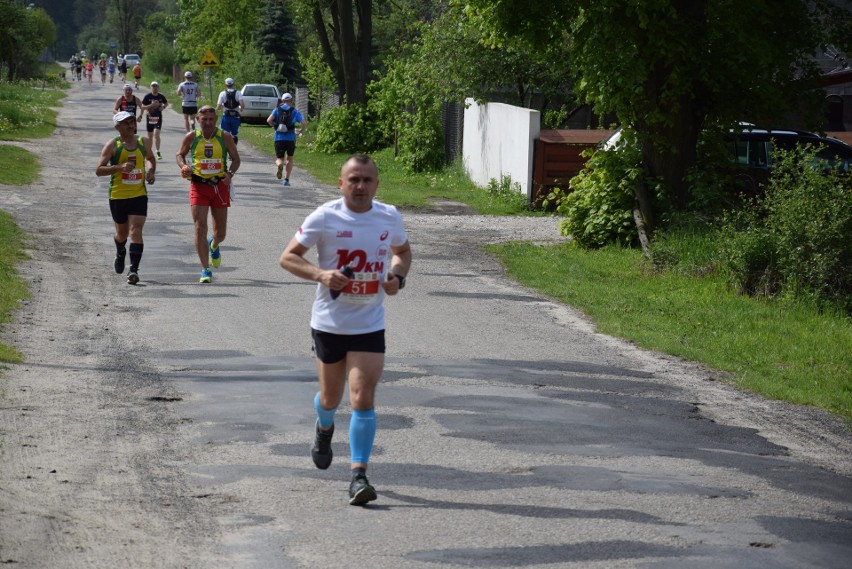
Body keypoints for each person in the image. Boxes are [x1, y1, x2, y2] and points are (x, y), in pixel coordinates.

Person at [278, 154, 412, 506]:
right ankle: (324, 428)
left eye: (367, 180)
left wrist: (397, 276)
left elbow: (401, 251)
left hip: (369, 323)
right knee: (330, 399)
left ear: (377, 185)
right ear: (341, 183)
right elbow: (288, 257)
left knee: (362, 395)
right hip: (330, 323)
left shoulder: (389, 216)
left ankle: (358, 475)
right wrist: (322, 274)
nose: (361, 186)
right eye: (353, 179)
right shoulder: (325, 217)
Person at [175, 105, 240, 284]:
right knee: (199, 227)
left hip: (219, 187)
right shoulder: (191, 137)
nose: (208, 123)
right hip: (198, 185)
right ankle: (205, 269)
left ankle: (215, 244)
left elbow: (236, 159)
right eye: (204, 120)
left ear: (216, 119)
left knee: (221, 233)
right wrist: (184, 166)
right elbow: (179, 155)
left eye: (211, 119)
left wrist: (230, 174)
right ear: (198, 120)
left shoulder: (224, 137)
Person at [95, 111, 157, 285]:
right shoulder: (113, 145)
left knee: (135, 231)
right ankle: (120, 251)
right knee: (121, 234)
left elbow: (150, 158)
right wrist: (119, 167)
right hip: (118, 196)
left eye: (131, 122)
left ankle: (134, 270)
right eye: (125, 123)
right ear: (117, 127)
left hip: (139, 195)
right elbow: (99, 170)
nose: (130, 125)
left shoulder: (143, 141)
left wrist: (151, 171)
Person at [266, 92, 306, 186]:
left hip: (279, 138)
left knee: (279, 158)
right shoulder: (295, 111)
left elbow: (268, 120)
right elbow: (304, 123)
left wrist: (275, 126)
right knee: (289, 159)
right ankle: (286, 180)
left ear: (283, 101)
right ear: (291, 101)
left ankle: (280, 165)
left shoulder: (276, 110)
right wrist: (301, 131)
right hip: (290, 138)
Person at [141, 81, 168, 160]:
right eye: (153, 86)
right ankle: (149, 152)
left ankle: (157, 151)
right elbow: (143, 107)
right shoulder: (147, 96)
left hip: (158, 118)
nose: (154, 88)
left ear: (158, 88)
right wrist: (151, 105)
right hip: (150, 118)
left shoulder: (161, 96)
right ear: (151, 87)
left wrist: (163, 107)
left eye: (156, 86)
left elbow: (166, 103)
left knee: (156, 135)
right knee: (150, 137)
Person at [215, 77, 244, 144]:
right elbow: (242, 105)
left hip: (226, 116)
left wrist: (217, 109)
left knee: (224, 133)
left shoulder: (222, 93)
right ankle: (234, 148)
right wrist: (241, 109)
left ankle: (225, 148)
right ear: (233, 84)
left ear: (225, 85)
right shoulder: (238, 93)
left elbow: (218, 107)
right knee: (234, 134)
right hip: (235, 117)